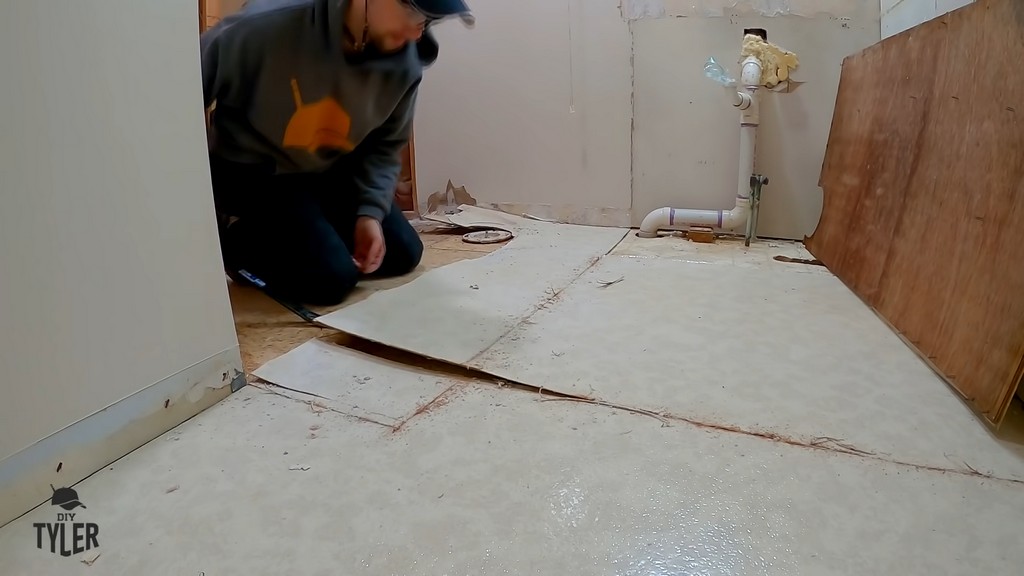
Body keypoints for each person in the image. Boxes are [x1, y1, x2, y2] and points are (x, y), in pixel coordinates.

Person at [200, 0, 473, 305]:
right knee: (331, 280)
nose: (416, 33)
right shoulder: (265, 26)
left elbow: (383, 149)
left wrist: (369, 213)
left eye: (427, 22)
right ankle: (237, 243)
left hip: (326, 168)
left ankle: (311, 229)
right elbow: (180, 89)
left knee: (402, 253)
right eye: (413, 13)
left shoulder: (405, 64)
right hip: (258, 173)